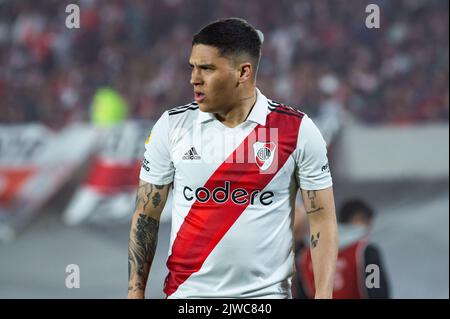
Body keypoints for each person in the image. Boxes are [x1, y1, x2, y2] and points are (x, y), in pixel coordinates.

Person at [127, 18, 338, 299]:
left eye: (207, 68)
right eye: (193, 67)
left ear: (243, 72)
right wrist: (134, 293)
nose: (194, 78)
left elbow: (322, 219)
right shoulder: (172, 126)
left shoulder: (297, 130)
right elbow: (146, 215)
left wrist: (324, 296)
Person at [295, 199, 390, 298]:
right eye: (367, 223)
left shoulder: (305, 256)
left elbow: (302, 294)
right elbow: (377, 289)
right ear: (357, 220)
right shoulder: (366, 251)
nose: (370, 228)